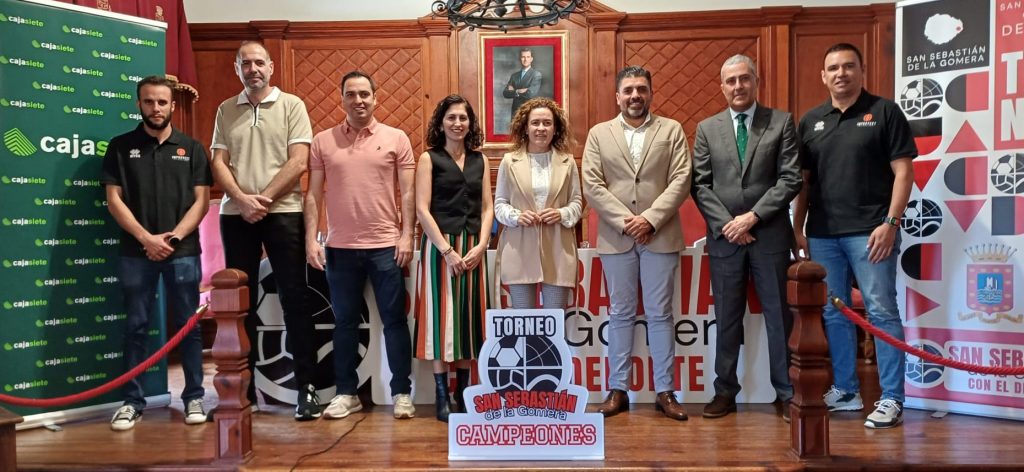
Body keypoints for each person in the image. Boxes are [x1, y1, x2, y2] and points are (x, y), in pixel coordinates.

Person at [793, 43, 916, 429]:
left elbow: (903, 172)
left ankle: (892, 397)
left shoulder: (884, 112)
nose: (841, 73)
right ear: (823, 76)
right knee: (834, 311)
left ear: (862, 71)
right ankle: (846, 391)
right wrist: (798, 228)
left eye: (848, 66)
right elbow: (805, 183)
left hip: (872, 234)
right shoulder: (811, 121)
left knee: (881, 311)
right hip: (824, 234)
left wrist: (890, 224)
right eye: (833, 68)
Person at [210, 41, 321, 421]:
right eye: (246, 63)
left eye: (259, 62)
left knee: (295, 299)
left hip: (284, 211)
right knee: (239, 305)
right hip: (235, 213)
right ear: (237, 67)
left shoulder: (292, 105)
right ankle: (245, 391)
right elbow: (218, 161)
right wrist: (241, 199)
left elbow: (300, 161)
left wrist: (263, 199)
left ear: (271, 67)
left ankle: (306, 390)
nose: (253, 68)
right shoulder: (226, 109)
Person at [691, 54, 801, 422]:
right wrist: (728, 225)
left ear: (756, 81)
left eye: (744, 79)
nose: (738, 86)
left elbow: (790, 179)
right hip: (725, 240)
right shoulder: (707, 129)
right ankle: (724, 391)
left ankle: (786, 392)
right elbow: (700, 185)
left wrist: (752, 217)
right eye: (731, 81)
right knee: (726, 318)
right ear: (721, 87)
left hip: (768, 236)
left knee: (778, 317)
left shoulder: (781, 122)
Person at [581, 65, 692, 421]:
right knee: (620, 314)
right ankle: (618, 390)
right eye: (628, 90)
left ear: (650, 93)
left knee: (661, 314)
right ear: (617, 96)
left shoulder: (671, 130)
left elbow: (681, 179)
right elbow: (592, 185)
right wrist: (628, 223)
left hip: (660, 235)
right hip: (617, 238)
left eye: (641, 89)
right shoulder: (599, 134)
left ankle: (665, 391)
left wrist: (650, 219)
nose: (634, 96)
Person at [305, 70, 416, 420]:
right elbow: (312, 194)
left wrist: (407, 234)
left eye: (365, 94)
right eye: (351, 94)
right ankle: (346, 393)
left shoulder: (396, 138)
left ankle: (401, 392)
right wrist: (312, 238)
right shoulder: (323, 141)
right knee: (345, 324)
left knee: (394, 321)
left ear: (375, 97)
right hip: (339, 247)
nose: (359, 100)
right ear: (342, 99)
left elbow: (409, 192)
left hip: (386, 245)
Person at [102, 75, 211, 431]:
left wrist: (173, 238)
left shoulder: (192, 148)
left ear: (172, 106)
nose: (156, 108)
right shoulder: (120, 146)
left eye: (162, 102)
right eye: (149, 102)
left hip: (183, 252)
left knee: (189, 327)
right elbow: (113, 200)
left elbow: (202, 201)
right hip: (136, 252)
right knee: (135, 326)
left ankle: (194, 396)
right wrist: (147, 238)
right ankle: (132, 402)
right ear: (139, 105)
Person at [412, 95, 494, 422]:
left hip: (473, 245)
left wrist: (483, 243)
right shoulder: (428, 159)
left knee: (467, 319)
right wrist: (446, 251)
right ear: (441, 123)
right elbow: (421, 208)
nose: (457, 123)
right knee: (440, 319)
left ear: (470, 123)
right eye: (451, 118)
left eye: (463, 118)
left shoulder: (481, 160)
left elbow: (487, 207)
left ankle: (462, 391)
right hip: (439, 246)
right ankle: (442, 396)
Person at [494, 97, 582, 310]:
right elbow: (500, 204)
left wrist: (561, 214)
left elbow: (577, 203)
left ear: (555, 128)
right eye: (535, 123)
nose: (541, 128)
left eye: (547, 123)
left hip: (558, 249)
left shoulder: (568, 162)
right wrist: (516, 216)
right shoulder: (509, 161)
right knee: (524, 322)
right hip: (519, 247)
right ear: (525, 127)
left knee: (554, 322)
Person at [502, 48, 543, 121]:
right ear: (520, 59)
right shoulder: (514, 76)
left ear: (531, 59)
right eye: (523, 57)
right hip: (515, 112)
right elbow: (505, 93)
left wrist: (514, 91)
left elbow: (530, 94)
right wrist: (518, 91)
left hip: (529, 111)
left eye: (528, 57)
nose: (525, 59)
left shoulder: (536, 75)